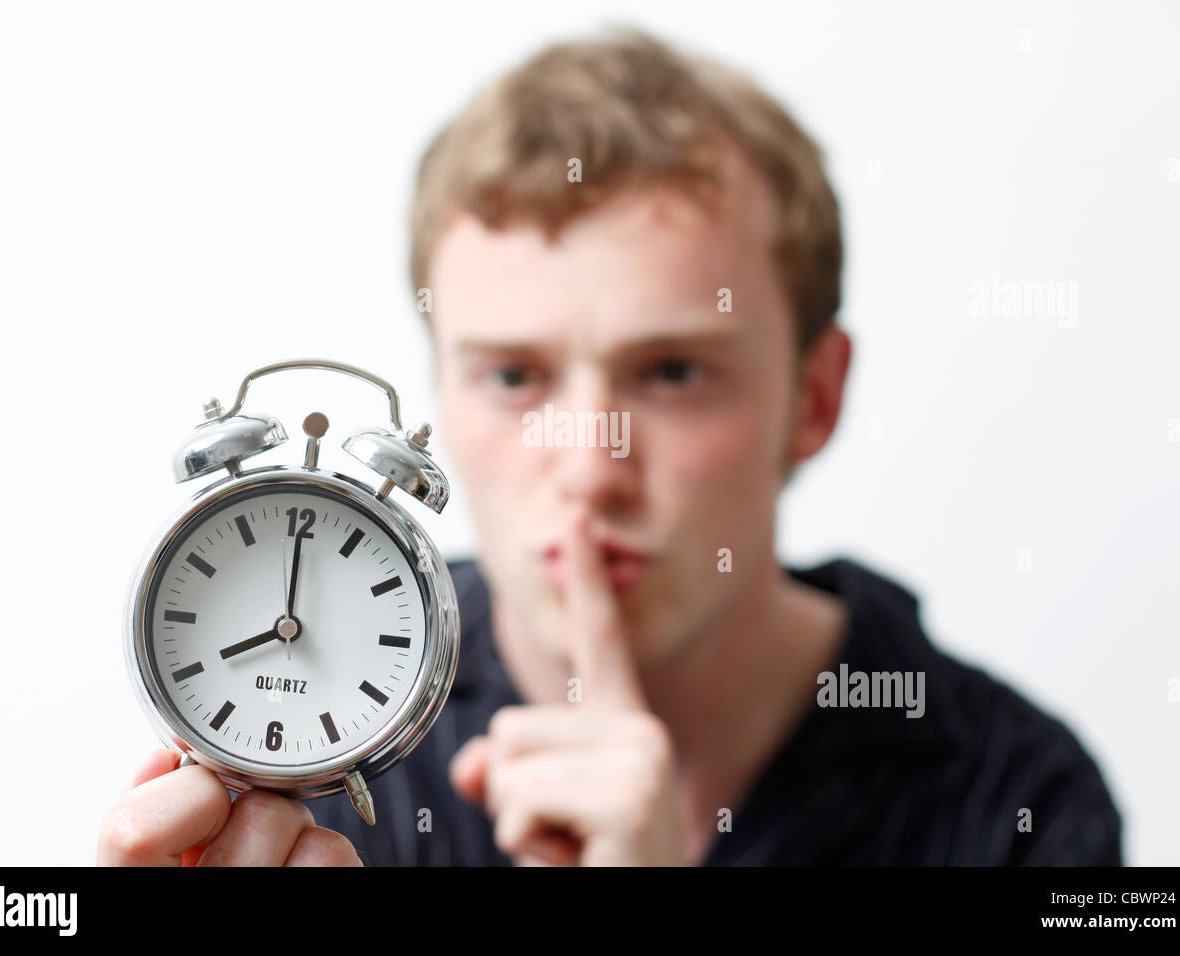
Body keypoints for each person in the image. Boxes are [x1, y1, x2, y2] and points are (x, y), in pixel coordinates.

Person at [98, 26, 1122, 867]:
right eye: (513, 376)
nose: (589, 468)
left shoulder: (1017, 800)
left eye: (672, 372)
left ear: (814, 398)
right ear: (441, 391)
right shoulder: (289, 754)